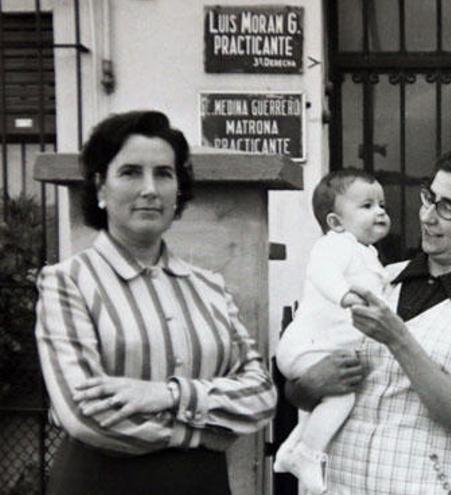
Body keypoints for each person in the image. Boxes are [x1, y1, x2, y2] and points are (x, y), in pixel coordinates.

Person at [34, 110, 277, 495]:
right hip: (104, 483)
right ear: (100, 186)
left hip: (202, 486)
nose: (150, 189)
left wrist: (170, 395)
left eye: (164, 174)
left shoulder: (209, 288)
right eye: (130, 172)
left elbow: (261, 395)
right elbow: (85, 416)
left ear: (178, 188)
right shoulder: (67, 283)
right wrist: (207, 433)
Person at [284, 147, 451, 494]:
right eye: (429, 197)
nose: (428, 216)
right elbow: (301, 382)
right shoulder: (374, 278)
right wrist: (306, 385)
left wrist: (398, 340)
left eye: (448, 208)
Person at [273, 169, 391, 493]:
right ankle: (308, 455)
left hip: (319, 347)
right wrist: (344, 295)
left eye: (382, 204)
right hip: (307, 346)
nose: (380, 211)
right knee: (341, 398)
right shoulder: (336, 244)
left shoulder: (366, 253)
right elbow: (321, 272)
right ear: (336, 222)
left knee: (323, 402)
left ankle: (290, 449)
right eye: (367, 206)